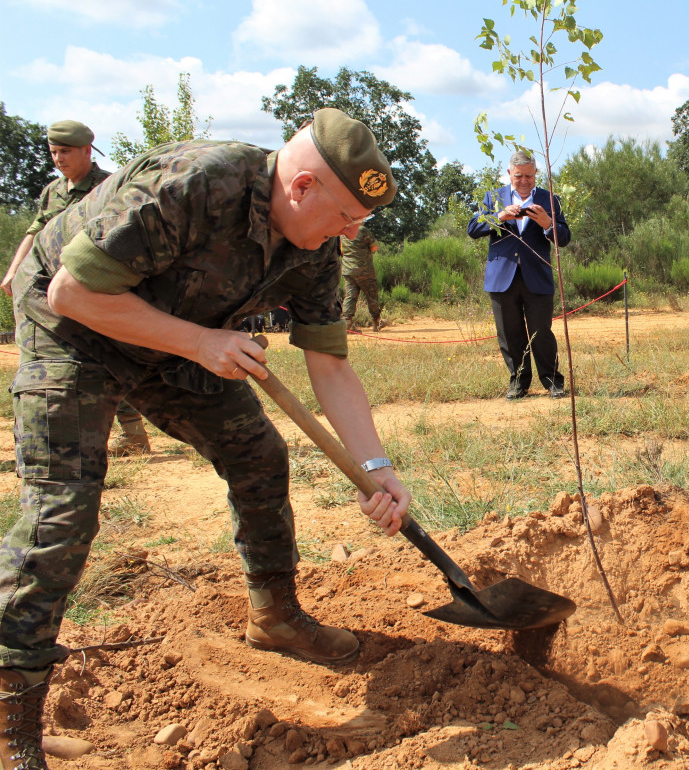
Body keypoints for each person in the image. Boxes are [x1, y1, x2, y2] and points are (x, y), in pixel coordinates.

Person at [2, 108, 412, 767]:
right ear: (302, 186)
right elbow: (72, 292)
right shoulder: (195, 183)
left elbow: (330, 362)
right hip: (73, 330)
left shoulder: (314, 246)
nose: (349, 233)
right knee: (62, 513)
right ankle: (11, 726)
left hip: (178, 339)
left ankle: (274, 617)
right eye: (342, 217)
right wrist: (200, 343)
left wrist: (376, 464)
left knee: (258, 454)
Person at [1, 120, 153, 457]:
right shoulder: (52, 192)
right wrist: (14, 271)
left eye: (65, 151)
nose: (58, 158)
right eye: (53, 152)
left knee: (110, 357)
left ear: (87, 150)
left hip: (97, 288)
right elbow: (35, 231)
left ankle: (133, 435)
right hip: (51, 291)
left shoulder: (110, 186)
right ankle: (58, 442)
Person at [467, 150, 570, 400]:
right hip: (502, 278)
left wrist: (547, 223)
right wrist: (498, 216)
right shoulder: (493, 198)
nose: (524, 180)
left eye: (529, 176)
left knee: (541, 332)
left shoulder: (549, 199)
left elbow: (564, 238)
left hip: (537, 277)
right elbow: (472, 229)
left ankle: (553, 382)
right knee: (509, 334)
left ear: (536, 174)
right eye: (519, 176)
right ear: (509, 174)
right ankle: (518, 383)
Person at [340, 225, 382, 331]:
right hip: (364, 269)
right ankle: (377, 321)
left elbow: (342, 250)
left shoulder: (342, 231)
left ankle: (347, 322)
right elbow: (374, 247)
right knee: (372, 295)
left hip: (348, 269)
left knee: (350, 296)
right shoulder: (362, 229)